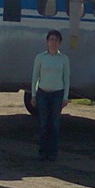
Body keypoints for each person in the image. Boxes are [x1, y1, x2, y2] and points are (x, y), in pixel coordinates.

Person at [31, 29, 70, 161]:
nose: (53, 42)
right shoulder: (40, 57)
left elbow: (66, 78)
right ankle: (43, 151)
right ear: (47, 42)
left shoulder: (64, 59)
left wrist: (66, 97)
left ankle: (53, 152)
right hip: (43, 93)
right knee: (43, 123)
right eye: (51, 39)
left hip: (57, 94)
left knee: (54, 124)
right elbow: (35, 77)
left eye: (56, 40)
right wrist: (33, 94)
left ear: (59, 43)